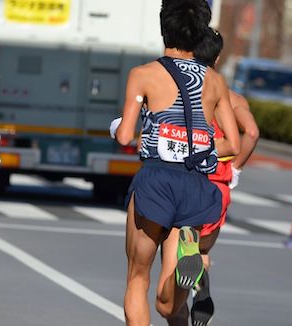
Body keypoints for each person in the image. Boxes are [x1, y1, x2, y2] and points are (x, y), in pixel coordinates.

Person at [113, 1, 240, 325]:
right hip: (196, 185)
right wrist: (195, 145)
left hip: (156, 181)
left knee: (137, 279)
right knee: (168, 306)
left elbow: (126, 135)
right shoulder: (214, 81)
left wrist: (125, 128)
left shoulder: (143, 75)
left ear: (163, 28)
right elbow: (233, 143)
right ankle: (187, 261)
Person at [183, 27, 259, 326]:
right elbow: (252, 133)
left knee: (178, 243)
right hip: (219, 184)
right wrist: (236, 168)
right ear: (216, 58)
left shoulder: (183, 91)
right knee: (201, 250)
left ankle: (178, 301)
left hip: (187, 178)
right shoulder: (233, 97)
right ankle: (199, 289)